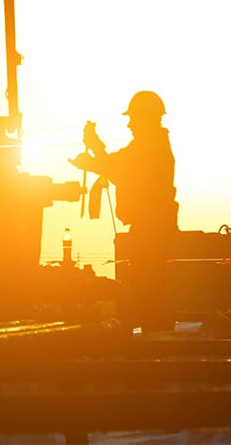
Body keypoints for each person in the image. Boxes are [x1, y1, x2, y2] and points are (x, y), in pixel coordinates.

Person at [69, 90, 179, 333]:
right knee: (147, 289)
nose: (129, 124)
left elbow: (118, 166)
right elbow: (118, 165)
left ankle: (156, 344)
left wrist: (94, 153)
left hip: (152, 230)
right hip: (152, 228)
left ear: (146, 119)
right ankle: (156, 339)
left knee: (148, 289)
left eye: (134, 119)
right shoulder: (150, 146)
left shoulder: (152, 149)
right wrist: (96, 150)